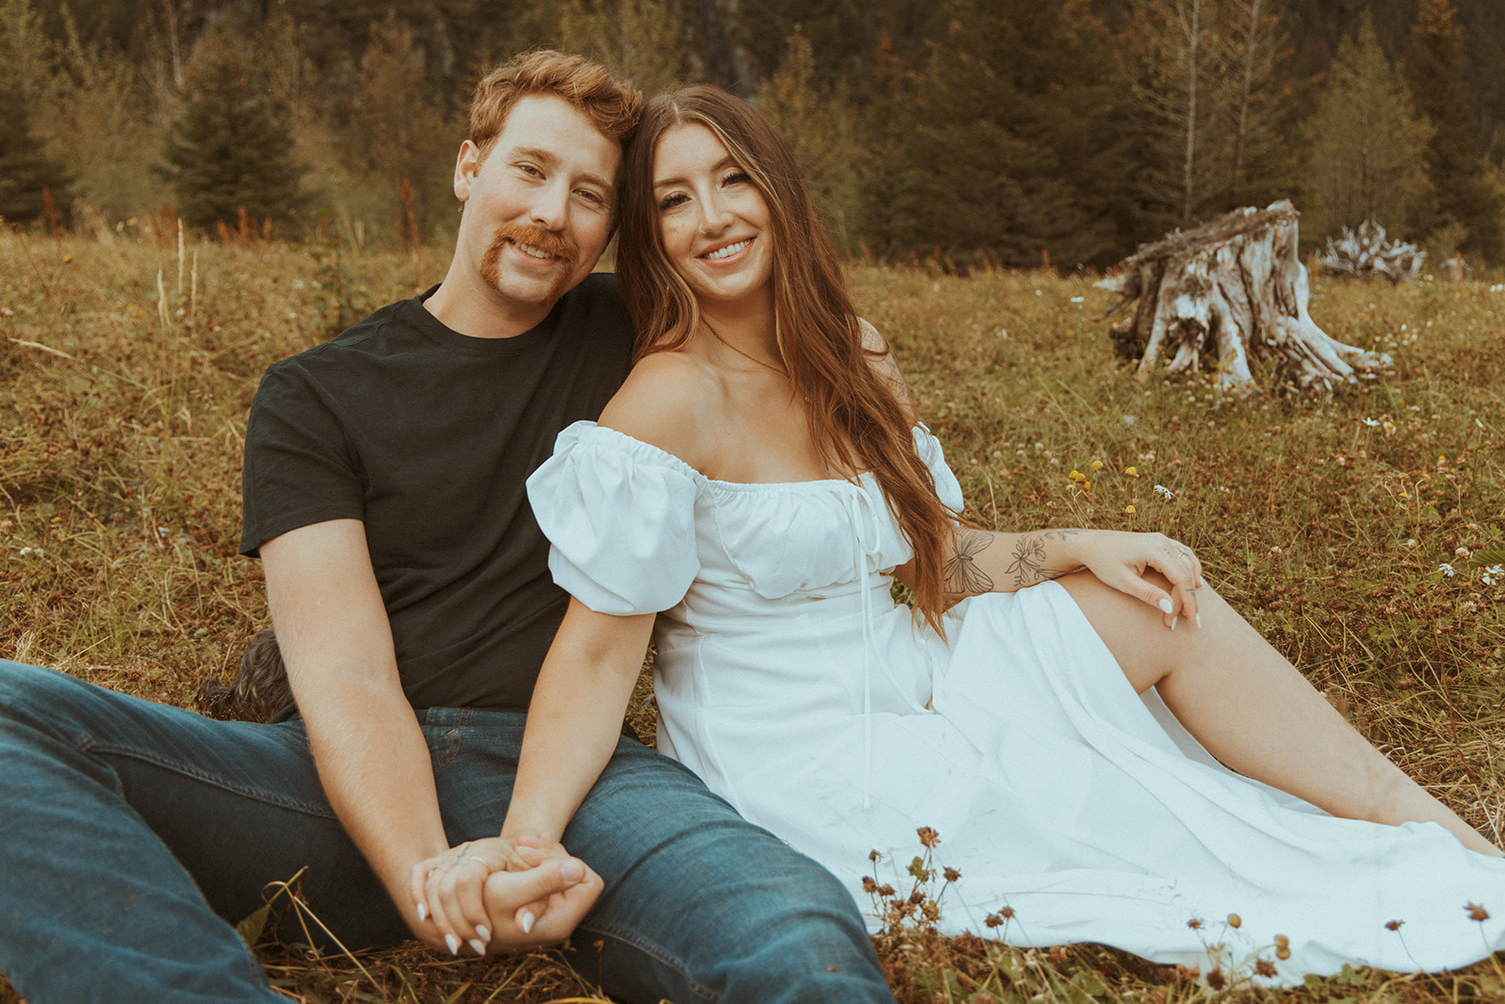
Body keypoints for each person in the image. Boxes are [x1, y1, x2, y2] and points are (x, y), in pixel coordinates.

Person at [416, 82, 1505, 986]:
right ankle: (1446, 878)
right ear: (650, 236)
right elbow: (595, 651)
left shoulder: (853, 352)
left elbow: (933, 555)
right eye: (671, 200)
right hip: (810, 746)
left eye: (730, 180)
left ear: (777, 189)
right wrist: (528, 839)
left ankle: (1443, 835)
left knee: (1158, 595)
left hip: (931, 654)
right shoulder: (668, 399)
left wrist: (1078, 538)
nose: (711, 218)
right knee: (1133, 832)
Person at [0, 54, 892, 1004]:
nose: (554, 212)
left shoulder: (639, 333)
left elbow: (803, 329)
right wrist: (432, 881)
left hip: (578, 780)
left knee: (797, 929)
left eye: (590, 194)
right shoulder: (316, 394)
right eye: (531, 170)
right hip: (337, 789)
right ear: (470, 168)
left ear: (613, 229)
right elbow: (344, 672)